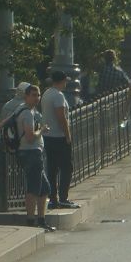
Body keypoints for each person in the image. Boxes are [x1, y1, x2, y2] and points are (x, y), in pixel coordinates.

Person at [12, 84, 52, 227]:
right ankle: (30, 220)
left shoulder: (22, 109)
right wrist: (41, 130)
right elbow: (30, 137)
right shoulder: (27, 113)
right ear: (26, 96)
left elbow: (6, 122)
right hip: (31, 153)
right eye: (33, 95)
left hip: (32, 152)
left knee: (44, 189)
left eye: (38, 95)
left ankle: (41, 220)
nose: (37, 98)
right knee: (34, 187)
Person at [41, 71, 77, 209]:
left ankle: (53, 198)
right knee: (66, 167)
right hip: (59, 137)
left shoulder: (46, 94)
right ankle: (63, 197)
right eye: (65, 81)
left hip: (47, 137)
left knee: (52, 168)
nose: (66, 83)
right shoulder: (58, 96)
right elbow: (61, 117)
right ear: (61, 81)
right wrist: (68, 135)